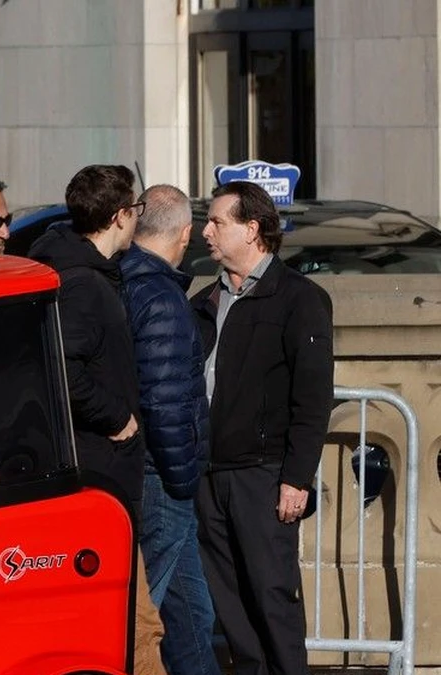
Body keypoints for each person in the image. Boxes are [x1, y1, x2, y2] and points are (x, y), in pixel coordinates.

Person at [27, 164, 165, 675]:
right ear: (119, 216)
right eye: (137, 210)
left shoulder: (77, 269)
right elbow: (61, 365)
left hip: (97, 473)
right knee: (138, 624)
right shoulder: (83, 284)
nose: (139, 220)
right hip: (98, 474)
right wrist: (116, 417)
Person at [192, 181, 333, 675]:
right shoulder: (207, 299)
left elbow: (313, 398)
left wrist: (296, 478)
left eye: (217, 222)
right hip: (208, 474)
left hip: (262, 473)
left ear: (252, 229)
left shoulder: (299, 299)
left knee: (271, 596)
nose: (205, 231)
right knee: (229, 603)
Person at [121, 185, 219, 675]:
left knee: (191, 615)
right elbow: (165, 399)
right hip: (163, 476)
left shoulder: (130, 279)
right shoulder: (158, 294)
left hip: (159, 472)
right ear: (183, 233)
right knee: (142, 617)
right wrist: (183, 478)